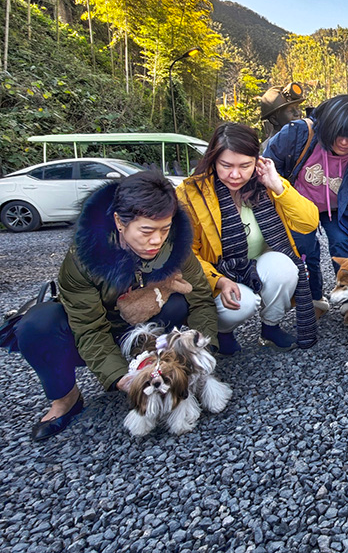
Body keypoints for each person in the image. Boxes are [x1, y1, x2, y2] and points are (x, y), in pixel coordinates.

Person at [7, 171, 218, 441]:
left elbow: (201, 300)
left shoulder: (177, 245)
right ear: (119, 222)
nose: (157, 240)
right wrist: (119, 377)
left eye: (164, 229)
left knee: (179, 303)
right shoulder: (83, 258)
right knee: (37, 325)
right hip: (101, 328)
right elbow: (88, 328)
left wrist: (201, 352)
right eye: (147, 231)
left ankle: (170, 370)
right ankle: (65, 399)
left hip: (152, 330)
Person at [177, 122, 320, 352]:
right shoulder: (190, 193)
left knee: (286, 268)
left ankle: (271, 326)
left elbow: (308, 223)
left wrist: (278, 186)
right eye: (226, 165)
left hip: (256, 264)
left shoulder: (266, 184)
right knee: (243, 304)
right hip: (218, 272)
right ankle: (222, 331)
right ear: (213, 160)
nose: (235, 175)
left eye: (245, 166)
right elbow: (186, 253)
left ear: (257, 162)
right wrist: (218, 281)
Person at [262, 95, 348, 318]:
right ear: (326, 126)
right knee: (303, 247)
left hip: (339, 208)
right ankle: (313, 298)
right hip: (298, 204)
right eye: (338, 134)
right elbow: (267, 167)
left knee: (343, 243)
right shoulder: (298, 134)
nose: (344, 142)